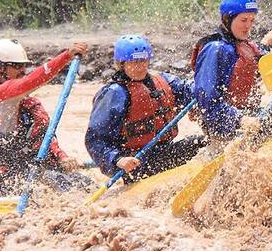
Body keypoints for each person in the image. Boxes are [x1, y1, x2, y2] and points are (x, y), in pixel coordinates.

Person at [85, 35, 205, 182]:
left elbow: (195, 92)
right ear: (122, 64)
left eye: (143, 61)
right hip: (137, 164)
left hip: (165, 151)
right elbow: (95, 140)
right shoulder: (114, 93)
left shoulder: (163, 81)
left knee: (205, 141)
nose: (140, 66)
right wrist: (117, 160)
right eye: (134, 62)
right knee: (201, 144)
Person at [0, 39, 87, 195]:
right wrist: (67, 56)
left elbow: (42, 135)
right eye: (17, 66)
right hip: (16, 177)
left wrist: (62, 157)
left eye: (24, 66)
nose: (23, 71)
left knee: (85, 184)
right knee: (65, 188)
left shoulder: (24, 102)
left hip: (37, 168)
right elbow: (33, 80)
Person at [191, 0, 272, 142]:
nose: (248, 26)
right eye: (244, 20)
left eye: (252, 20)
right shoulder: (215, 49)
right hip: (226, 128)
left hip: (250, 117)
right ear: (227, 18)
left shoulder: (245, 46)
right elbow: (207, 105)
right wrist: (240, 120)